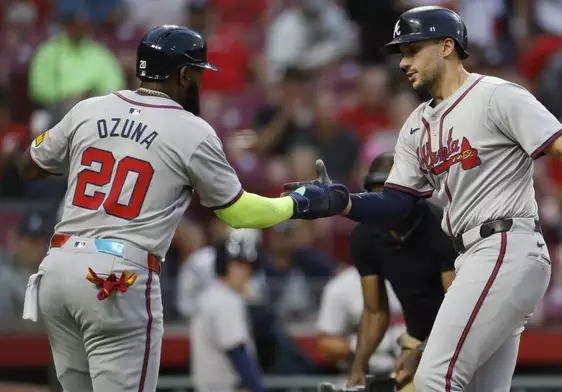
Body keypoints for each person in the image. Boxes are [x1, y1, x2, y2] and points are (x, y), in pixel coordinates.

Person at [281, 6, 562, 392]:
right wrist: (340, 201)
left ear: (446, 47)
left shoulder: (495, 95)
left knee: (433, 379)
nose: (404, 62)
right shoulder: (416, 127)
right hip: (476, 255)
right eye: (401, 53)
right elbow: (395, 203)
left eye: (412, 50)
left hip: (505, 245)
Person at [17, 25, 328, 392]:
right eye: (197, 73)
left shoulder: (89, 109)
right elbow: (237, 212)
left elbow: (29, 164)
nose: (199, 81)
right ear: (183, 75)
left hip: (56, 270)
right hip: (115, 278)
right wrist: (299, 203)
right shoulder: (192, 130)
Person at [343, 152, 457, 391]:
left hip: (461, 339)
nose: (383, 203)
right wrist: (359, 366)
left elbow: (459, 305)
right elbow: (374, 311)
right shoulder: (364, 237)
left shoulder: (441, 228)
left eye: (390, 194)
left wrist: (423, 351)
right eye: (377, 195)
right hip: (417, 341)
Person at [190, 229, 266, 392]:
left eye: (248, 266)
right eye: (238, 265)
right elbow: (236, 351)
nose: (245, 272)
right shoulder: (226, 300)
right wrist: (259, 388)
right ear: (224, 265)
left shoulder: (212, 295)